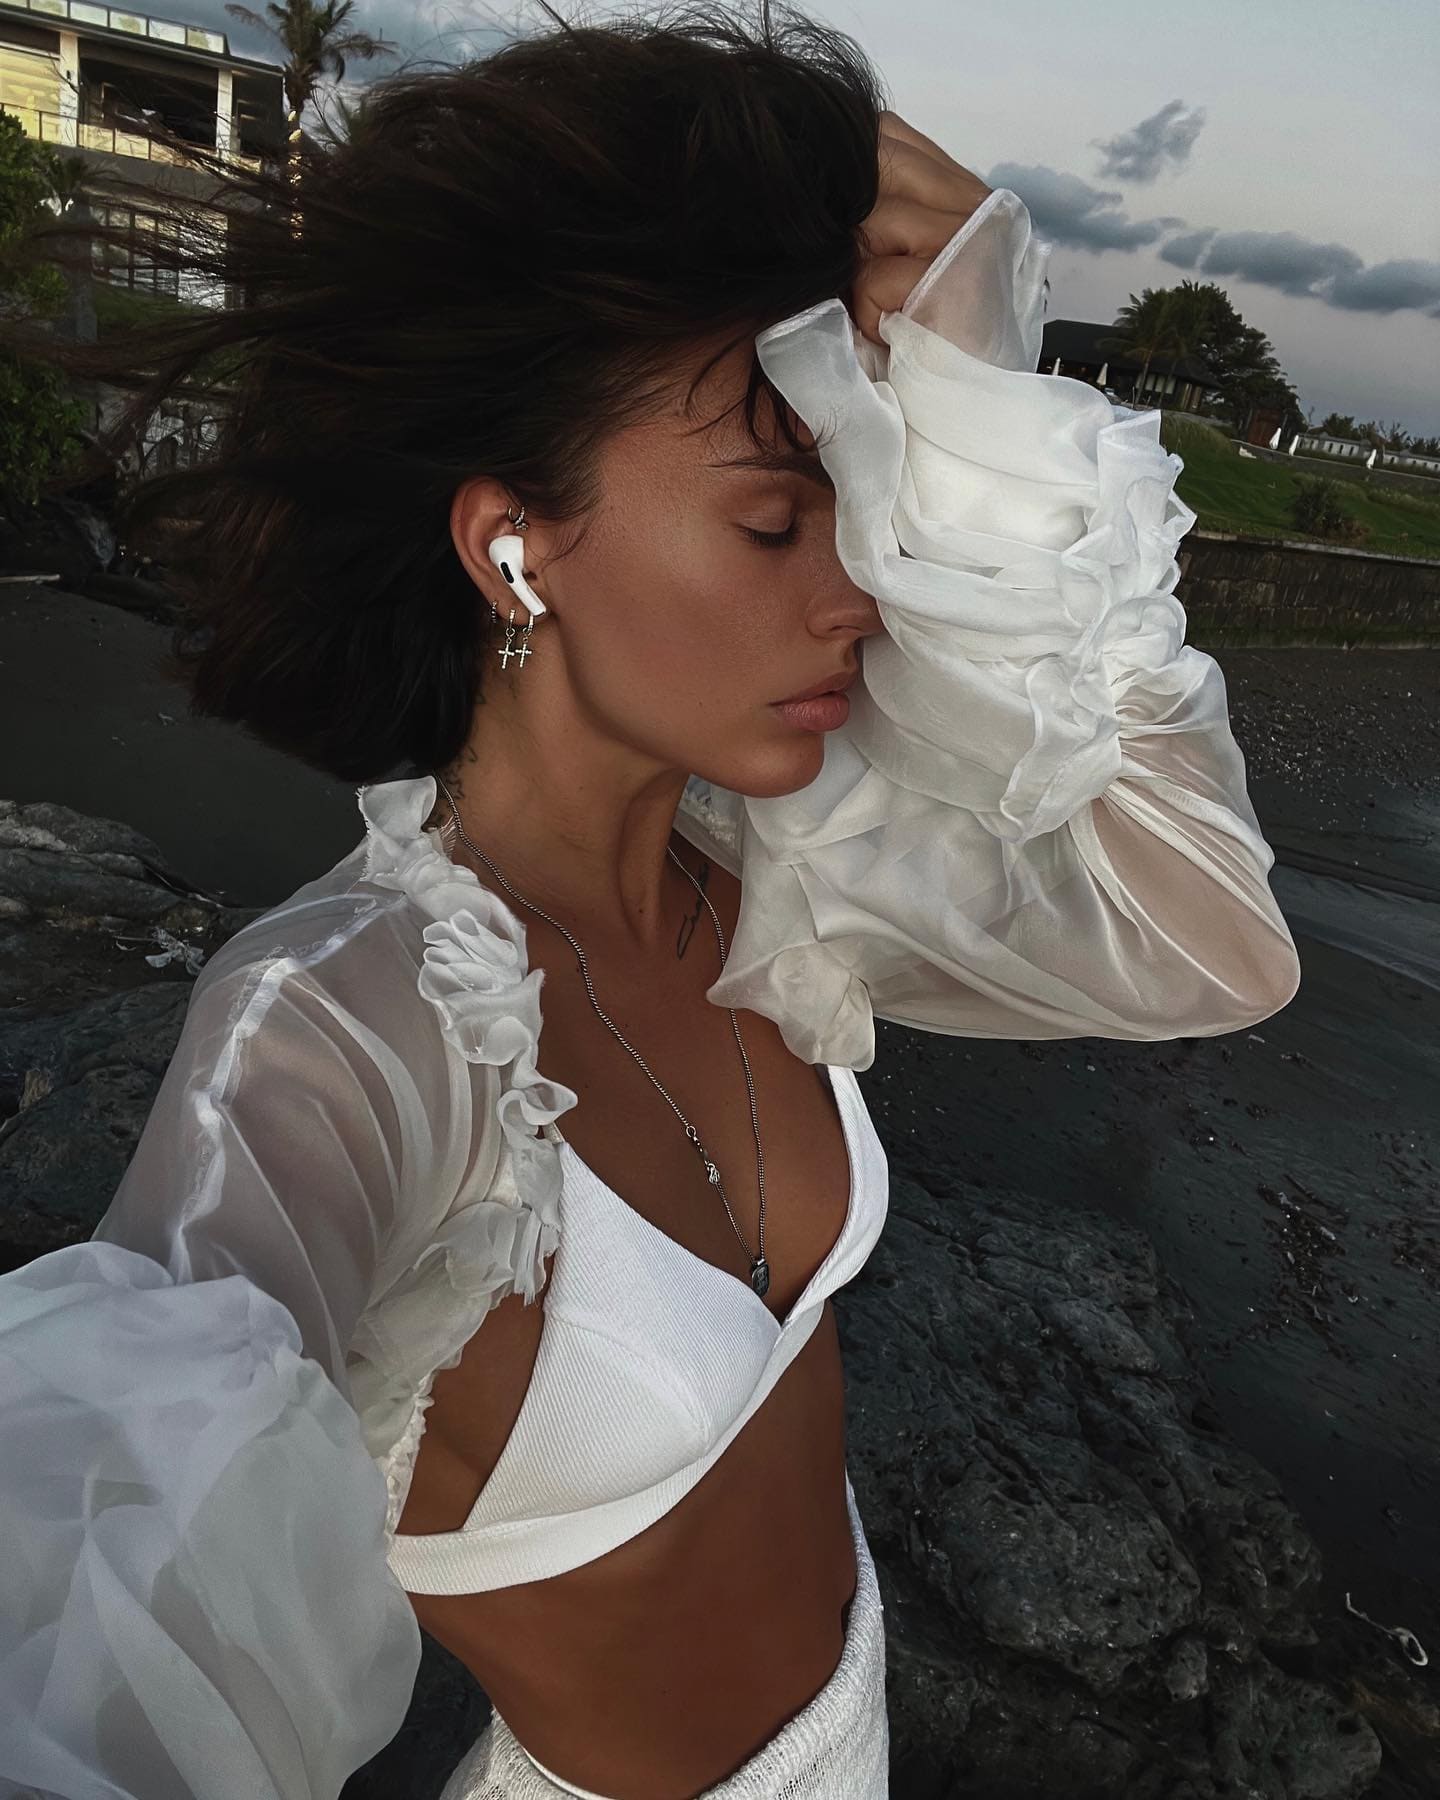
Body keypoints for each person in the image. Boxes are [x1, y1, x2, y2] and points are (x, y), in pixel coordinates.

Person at [0, 5, 1301, 1797]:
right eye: (775, 523)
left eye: (869, 513)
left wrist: (1000, 442)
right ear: (510, 545)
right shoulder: (345, 1024)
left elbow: (1214, 949)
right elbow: (98, 1596)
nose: (858, 595)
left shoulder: (774, 868)